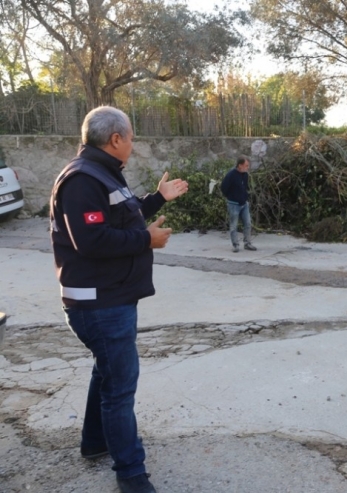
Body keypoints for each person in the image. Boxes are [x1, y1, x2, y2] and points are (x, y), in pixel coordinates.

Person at [50, 106, 188, 493]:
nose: (132, 144)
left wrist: (157, 199)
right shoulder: (82, 179)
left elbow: (122, 218)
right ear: (115, 139)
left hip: (110, 297)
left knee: (106, 371)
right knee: (120, 388)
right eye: (131, 137)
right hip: (99, 303)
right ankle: (131, 474)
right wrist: (148, 239)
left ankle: (95, 443)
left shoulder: (103, 174)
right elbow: (91, 241)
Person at [220, 155, 256, 252]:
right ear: (240, 165)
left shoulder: (245, 175)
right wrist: (231, 197)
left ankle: (247, 243)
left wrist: (245, 197)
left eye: (248, 166)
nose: (247, 167)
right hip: (233, 204)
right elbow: (223, 187)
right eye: (246, 165)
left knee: (248, 223)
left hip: (244, 204)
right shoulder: (231, 175)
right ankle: (235, 245)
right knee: (234, 225)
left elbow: (245, 187)